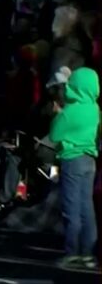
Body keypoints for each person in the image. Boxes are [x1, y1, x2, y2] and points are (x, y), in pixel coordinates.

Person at [49, 67, 99, 271]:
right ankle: (88, 254)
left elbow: (54, 135)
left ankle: (71, 253)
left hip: (72, 160)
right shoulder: (95, 109)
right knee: (87, 209)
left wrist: (58, 114)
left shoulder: (70, 112)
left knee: (71, 209)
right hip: (89, 160)